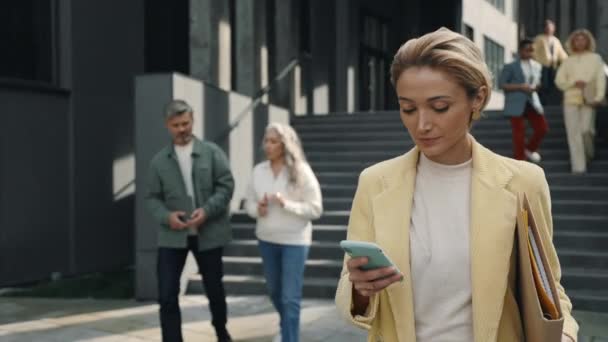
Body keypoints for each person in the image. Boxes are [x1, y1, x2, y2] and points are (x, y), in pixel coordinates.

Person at [334, 28, 578, 342]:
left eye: (439, 107)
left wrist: (566, 336)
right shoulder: (375, 183)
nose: (421, 124)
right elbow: (349, 292)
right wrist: (360, 291)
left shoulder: (523, 183)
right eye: (408, 108)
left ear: (478, 98)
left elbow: (548, 288)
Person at [146, 99, 235, 342]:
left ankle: (221, 331)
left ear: (193, 120)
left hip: (209, 233)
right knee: (166, 294)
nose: (182, 129)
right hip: (172, 236)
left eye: (185, 123)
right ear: (167, 125)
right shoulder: (158, 162)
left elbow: (226, 186)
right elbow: (152, 198)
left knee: (214, 290)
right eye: (176, 125)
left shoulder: (212, 152)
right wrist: (167, 216)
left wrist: (207, 210)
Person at [244, 123, 323, 342]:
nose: (267, 145)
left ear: (285, 145)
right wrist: (256, 209)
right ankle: (286, 326)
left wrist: (287, 204)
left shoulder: (301, 171)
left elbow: (316, 208)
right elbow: (248, 202)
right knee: (275, 293)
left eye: (273, 141)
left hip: (295, 242)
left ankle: (290, 337)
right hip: (267, 239)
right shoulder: (258, 171)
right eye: (266, 141)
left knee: (290, 298)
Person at [555, 29, 606, 174]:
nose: (580, 42)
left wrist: (599, 97)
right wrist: (573, 82)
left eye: (583, 39)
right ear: (572, 42)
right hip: (570, 99)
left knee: (586, 130)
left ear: (588, 41)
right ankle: (578, 167)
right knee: (573, 133)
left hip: (589, 99)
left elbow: (600, 79)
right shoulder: (567, 60)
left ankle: (588, 154)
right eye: (577, 39)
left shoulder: (596, 58)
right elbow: (559, 80)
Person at [500, 38, 548, 162]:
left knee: (542, 128)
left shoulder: (537, 66)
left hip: (532, 101)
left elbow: (537, 83)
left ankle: (529, 149)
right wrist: (520, 86)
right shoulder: (510, 66)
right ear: (520, 51)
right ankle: (520, 159)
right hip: (515, 102)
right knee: (519, 132)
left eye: (532, 50)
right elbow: (502, 84)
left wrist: (536, 87)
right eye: (527, 50)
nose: (530, 52)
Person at [533, 19, 569, 103]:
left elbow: (561, 54)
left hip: (553, 66)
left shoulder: (556, 41)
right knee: (543, 84)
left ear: (554, 28)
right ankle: (541, 101)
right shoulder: (539, 38)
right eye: (547, 27)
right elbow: (534, 51)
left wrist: (569, 61)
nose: (549, 29)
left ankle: (551, 101)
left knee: (553, 84)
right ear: (544, 28)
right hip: (542, 65)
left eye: (551, 27)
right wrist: (538, 61)